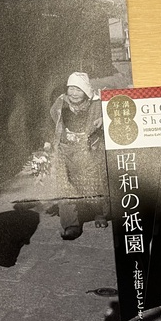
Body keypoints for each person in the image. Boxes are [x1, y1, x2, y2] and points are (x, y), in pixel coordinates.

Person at [45, 72, 108, 240]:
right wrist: (48, 142)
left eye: (78, 90)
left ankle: (99, 213)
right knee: (65, 183)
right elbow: (51, 122)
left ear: (86, 91)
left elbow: (112, 116)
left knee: (94, 181)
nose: (73, 93)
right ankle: (71, 224)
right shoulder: (60, 102)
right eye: (71, 88)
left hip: (90, 148)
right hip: (65, 148)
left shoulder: (97, 103)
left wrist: (104, 120)